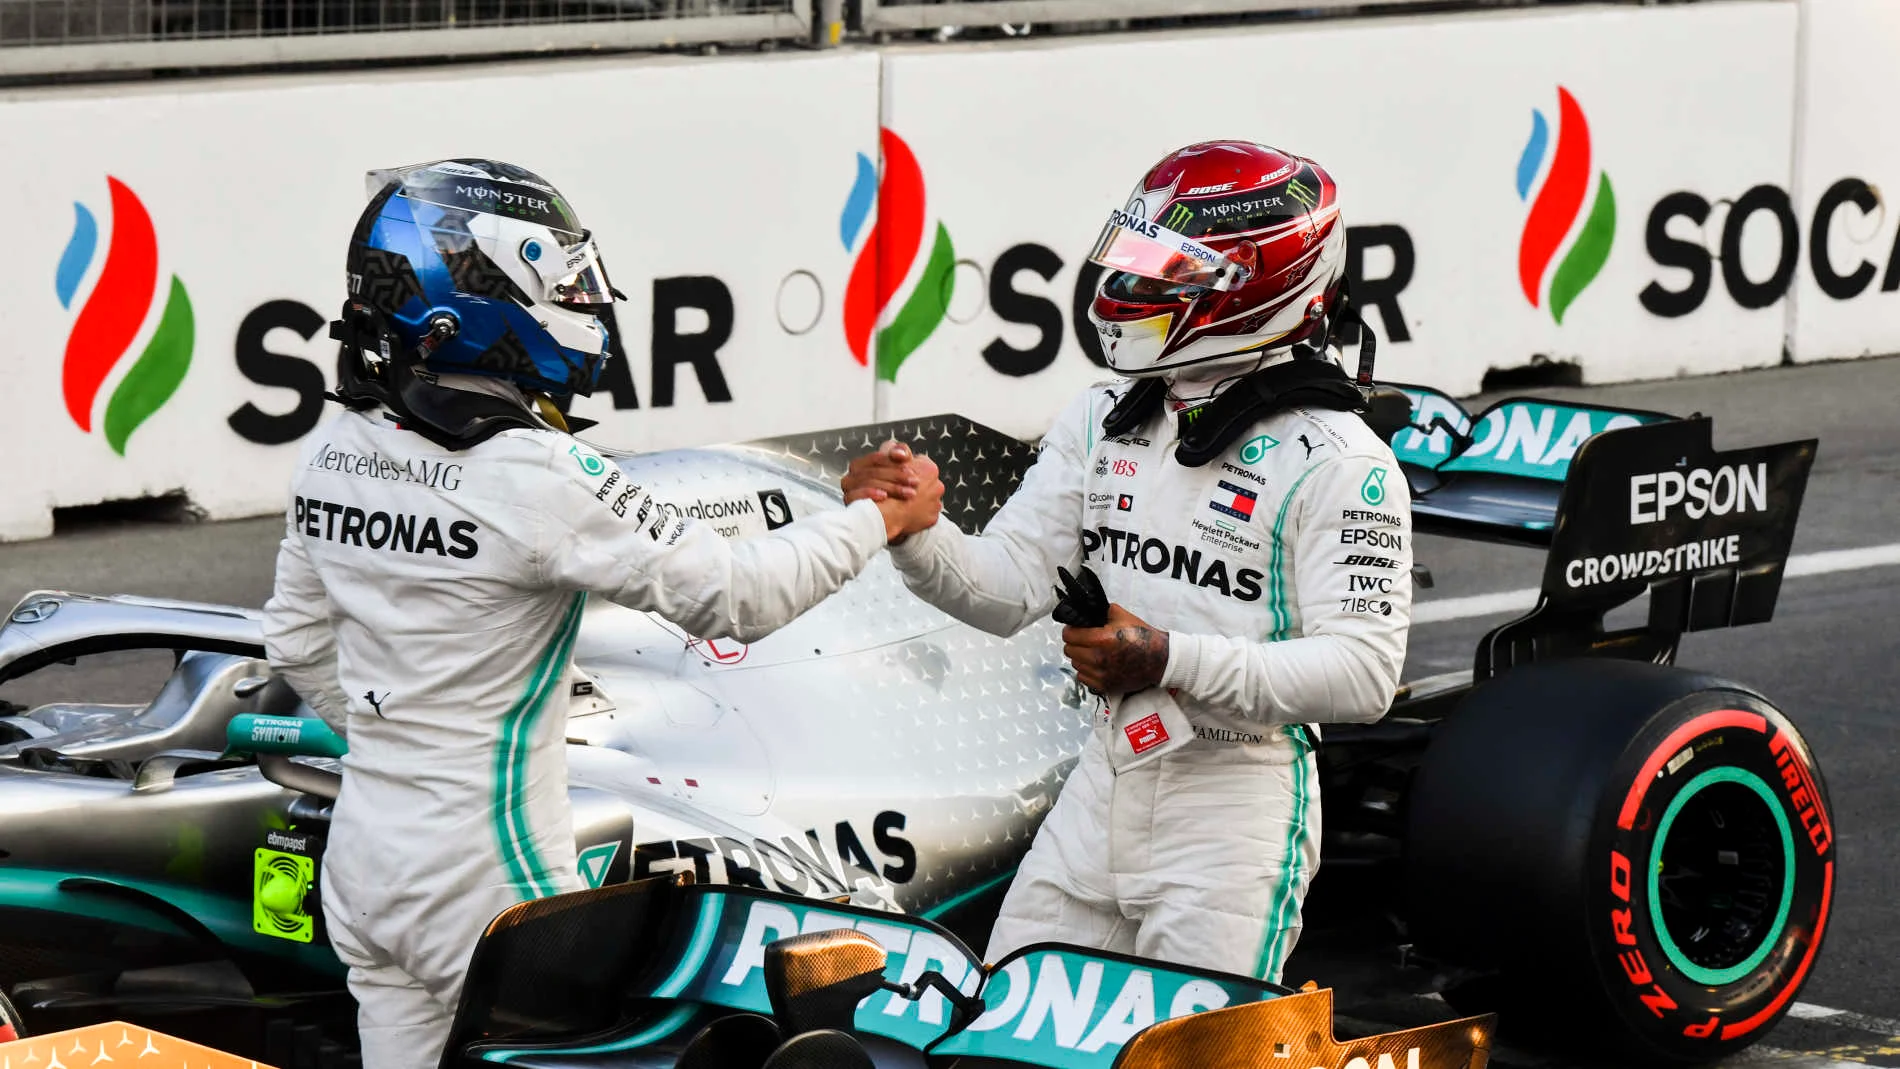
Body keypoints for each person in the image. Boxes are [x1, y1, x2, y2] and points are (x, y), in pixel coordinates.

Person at [261, 159, 942, 1069]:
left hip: (366, 860)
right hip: (489, 881)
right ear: (476, 297)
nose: (583, 299)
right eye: (560, 280)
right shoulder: (534, 474)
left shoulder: (333, 448)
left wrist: (408, 742)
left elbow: (297, 644)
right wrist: (876, 519)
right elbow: (741, 598)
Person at [844, 141, 1412, 982]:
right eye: (1136, 260)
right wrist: (912, 532)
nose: (1135, 289)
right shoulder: (1103, 414)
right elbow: (1007, 589)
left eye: (1166, 272)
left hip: (1233, 805)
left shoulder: (1341, 461)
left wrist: (1166, 656)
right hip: (1104, 779)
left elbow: (1365, 675)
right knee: (1001, 1033)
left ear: (1257, 282)